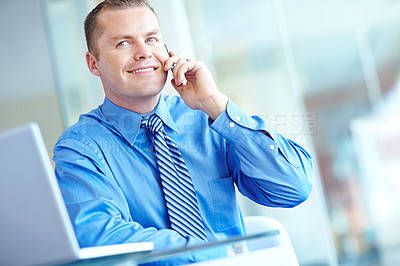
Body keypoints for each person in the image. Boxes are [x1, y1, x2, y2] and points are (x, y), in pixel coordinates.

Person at [53, 0, 313, 264]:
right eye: (123, 43)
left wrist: (215, 104)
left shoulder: (208, 119)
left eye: (152, 39)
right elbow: (101, 236)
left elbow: (294, 187)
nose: (144, 53)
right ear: (93, 63)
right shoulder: (80, 147)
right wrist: (211, 253)